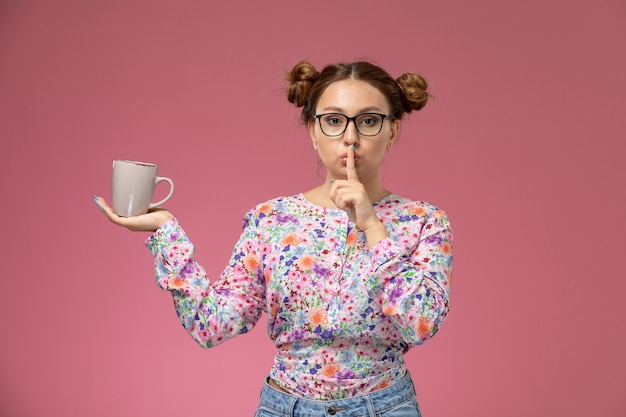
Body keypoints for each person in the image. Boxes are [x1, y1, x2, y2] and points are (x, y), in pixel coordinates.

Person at [95, 60, 453, 417]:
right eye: (333, 120)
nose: (350, 137)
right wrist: (165, 233)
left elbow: (421, 323)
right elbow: (212, 325)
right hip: (286, 408)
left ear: (392, 131)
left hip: (385, 407)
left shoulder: (424, 222)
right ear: (313, 132)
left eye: (369, 121)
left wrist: (373, 226)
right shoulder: (272, 220)